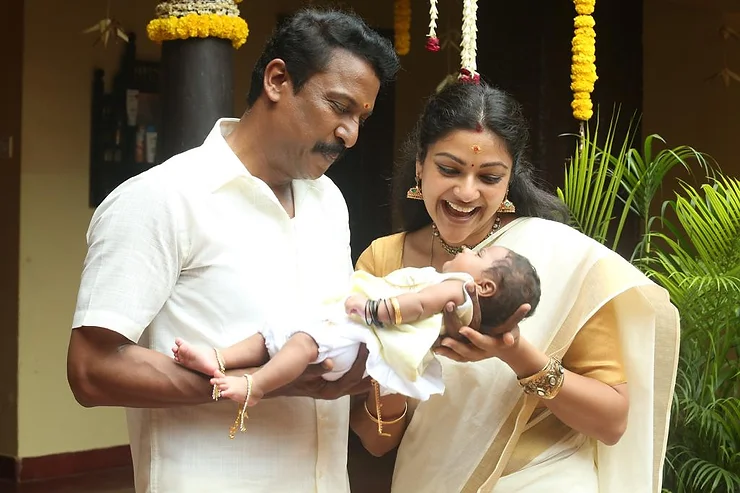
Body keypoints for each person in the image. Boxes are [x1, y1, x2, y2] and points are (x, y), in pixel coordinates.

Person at [66, 8, 399, 493]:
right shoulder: (162, 198)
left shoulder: (329, 202)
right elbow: (90, 370)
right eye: (339, 107)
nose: (350, 134)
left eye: (361, 118)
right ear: (277, 80)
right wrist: (268, 382)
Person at [348, 82, 679, 493]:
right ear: (420, 166)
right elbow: (377, 441)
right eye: (449, 169)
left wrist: (515, 353)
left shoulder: (556, 257)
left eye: (489, 177)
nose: (466, 192)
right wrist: (397, 359)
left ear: (509, 181)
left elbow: (612, 422)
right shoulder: (384, 262)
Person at [171, 245, 541, 419]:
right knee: (277, 335)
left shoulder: (457, 287)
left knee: (301, 344)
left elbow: (415, 304)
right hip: (360, 335)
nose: (468, 249)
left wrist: (372, 309)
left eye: (479, 255)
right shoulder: (463, 309)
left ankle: (255, 386)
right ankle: (217, 357)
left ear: (485, 286)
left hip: (363, 334)